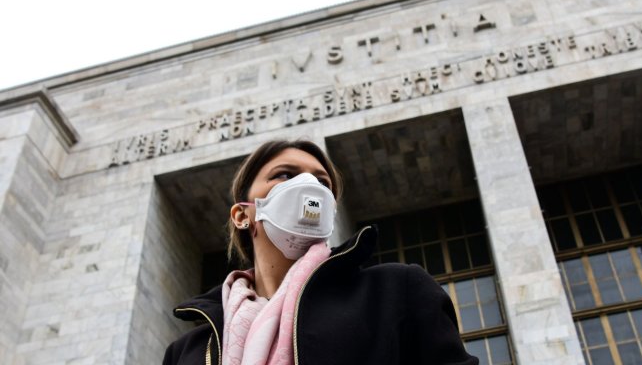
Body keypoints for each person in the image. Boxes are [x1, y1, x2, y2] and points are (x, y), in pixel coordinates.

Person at [163, 139, 478, 365]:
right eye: (284, 174)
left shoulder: (396, 291)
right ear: (243, 215)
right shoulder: (187, 351)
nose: (308, 185)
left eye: (322, 182)